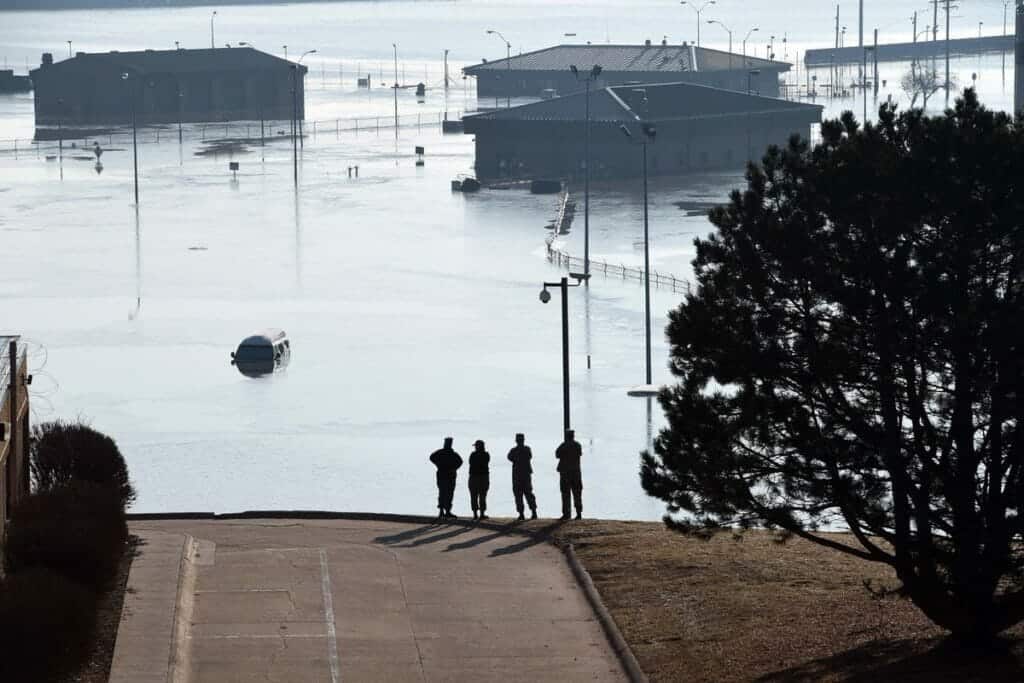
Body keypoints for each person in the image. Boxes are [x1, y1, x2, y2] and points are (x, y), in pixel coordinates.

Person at [429, 437, 463, 519]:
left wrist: (439, 465)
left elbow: (460, 462)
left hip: (445, 475)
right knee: (446, 493)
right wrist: (452, 468)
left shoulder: (444, 453)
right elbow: (432, 458)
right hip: (447, 475)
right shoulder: (450, 453)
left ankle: (444, 511)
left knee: (445, 492)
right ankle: (444, 511)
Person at [507, 433, 537, 521]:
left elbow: (510, 457)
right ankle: (532, 512)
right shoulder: (526, 449)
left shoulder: (515, 450)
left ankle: (523, 514)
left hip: (519, 475)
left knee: (520, 494)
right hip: (524, 474)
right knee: (527, 494)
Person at [555, 429, 583, 521]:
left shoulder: (564, 445)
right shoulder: (577, 445)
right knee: (577, 493)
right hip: (576, 473)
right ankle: (578, 513)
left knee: (565, 494)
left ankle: (566, 514)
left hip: (565, 473)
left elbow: (557, 454)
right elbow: (579, 454)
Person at [468, 439, 490, 520]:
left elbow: (470, 462)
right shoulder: (486, 455)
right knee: (482, 495)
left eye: (476, 446)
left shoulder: (473, 455)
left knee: (474, 495)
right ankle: (481, 514)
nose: (475, 447)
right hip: (483, 477)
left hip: (474, 477)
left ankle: (475, 514)